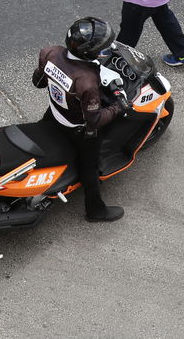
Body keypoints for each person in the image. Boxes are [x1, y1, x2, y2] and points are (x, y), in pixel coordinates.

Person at [32, 16, 125, 222]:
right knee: (89, 167)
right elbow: (94, 120)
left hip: (54, 114)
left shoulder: (50, 53)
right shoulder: (87, 82)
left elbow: (38, 82)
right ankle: (95, 211)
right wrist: (118, 107)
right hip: (76, 128)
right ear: (88, 52)